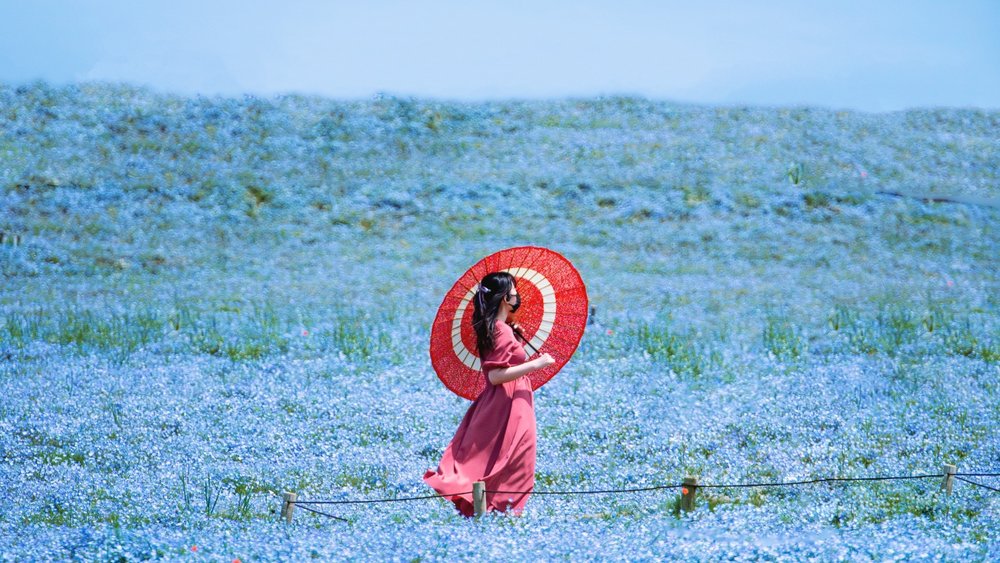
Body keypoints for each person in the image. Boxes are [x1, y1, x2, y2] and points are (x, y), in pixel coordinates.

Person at [423, 271, 555, 517]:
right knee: (516, 459)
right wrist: (538, 364)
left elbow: (504, 362)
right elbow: (496, 375)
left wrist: (515, 339)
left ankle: (492, 512)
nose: (517, 295)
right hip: (509, 403)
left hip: (506, 400)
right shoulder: (499, 330)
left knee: (501, 457)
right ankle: (503, 512)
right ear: (505, 298)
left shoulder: (498, 327)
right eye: (514, 290)